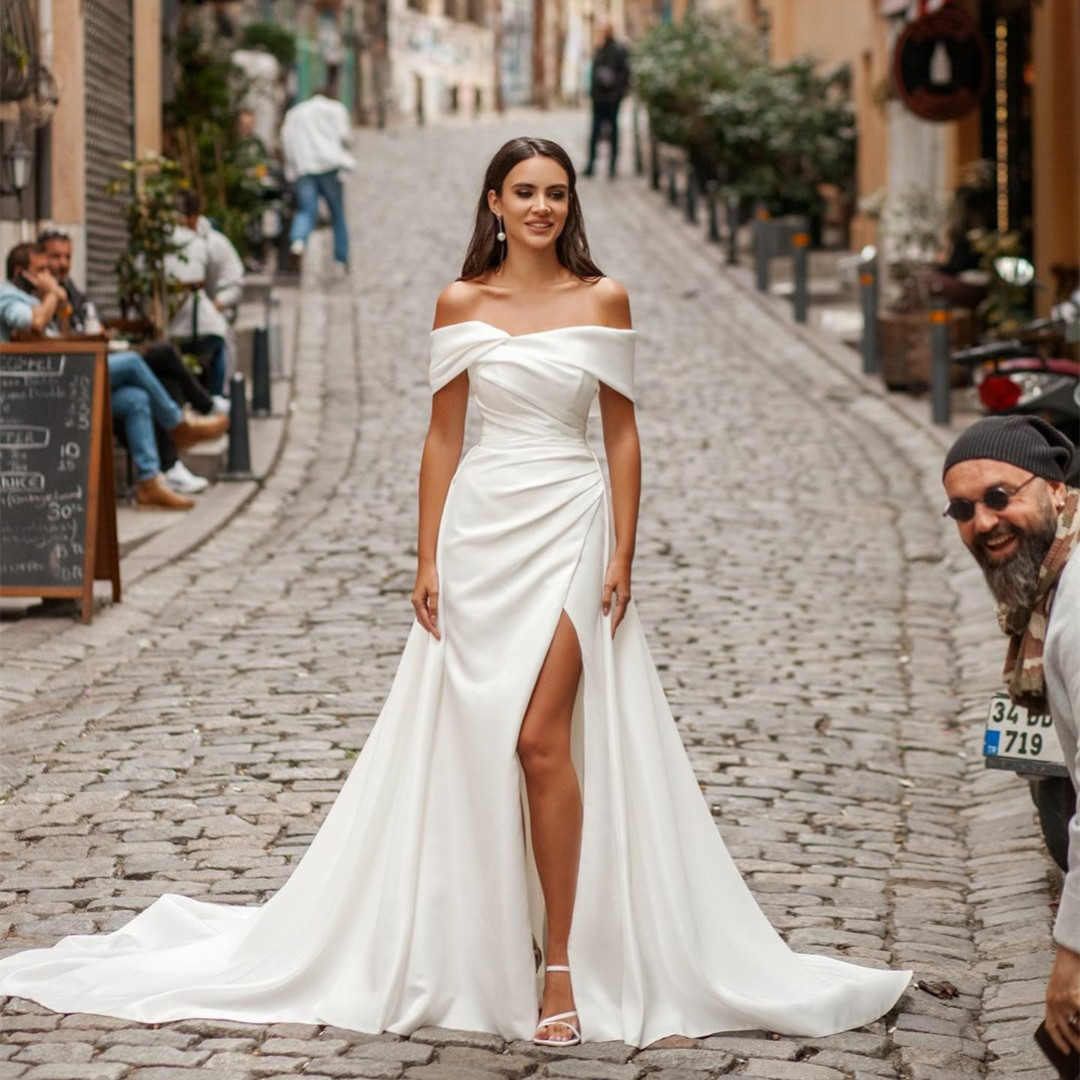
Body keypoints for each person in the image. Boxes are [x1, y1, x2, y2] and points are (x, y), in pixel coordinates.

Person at [0, 138, 911, 1044]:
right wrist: (426, 553)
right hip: (481, 533)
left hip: (569, 521)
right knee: (475, 742)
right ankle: (482, 942)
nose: (542, 207)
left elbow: (621, 435)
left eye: (556, 193)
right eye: (525, 192)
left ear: (569, 205)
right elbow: (443, 436)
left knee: (539, 739)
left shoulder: (603, 298)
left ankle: (559, 962)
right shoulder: (459, 302)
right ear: (494, 204)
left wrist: (623, 550)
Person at [942, 416, 1080, 1058]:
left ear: (1056, 490)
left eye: (1000, 496)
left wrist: (1070, 956)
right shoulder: (1049, 589)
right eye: (964, 509)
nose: (984, 521)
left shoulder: (1075, 614)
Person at [0, 242, 227, 509]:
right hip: (36, 387)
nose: (49, 276)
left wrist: (58, 301)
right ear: (20, 273)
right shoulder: (7, 295)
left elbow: (58, 336)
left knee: (135, 399)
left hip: (61, 377)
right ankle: (178, 425)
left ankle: (149, 483)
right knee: (132, 362)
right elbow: (34, 323)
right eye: (41, 271)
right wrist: (52, 294)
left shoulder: (39, 298)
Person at [166, 191, 245, 399]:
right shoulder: (168, 243)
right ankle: (218, 398)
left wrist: (214, 306)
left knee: (220, 338)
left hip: (202, 317)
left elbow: (234, 281)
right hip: (182, 322)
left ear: (193, 217)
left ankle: (219, 395)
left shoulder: (214, 243)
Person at [280, 75, 352, 273]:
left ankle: (298, 242)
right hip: (330, 166)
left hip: (305, 167)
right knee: (337, 213)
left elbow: (286, 139)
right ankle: (340, 258)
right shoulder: (336, 109)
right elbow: (346, 137)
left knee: (305, 210)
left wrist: (291, 167)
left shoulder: (296, 113)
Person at [583, 24, 631, 180]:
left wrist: (617, 93)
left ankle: (611, 167)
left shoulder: (619, 50)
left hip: (612, 99)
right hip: (599, 99)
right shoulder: (600, 48)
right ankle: (591, 165)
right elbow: (594, 73)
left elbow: (625, 74)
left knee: (613, 133)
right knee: (595, 132)